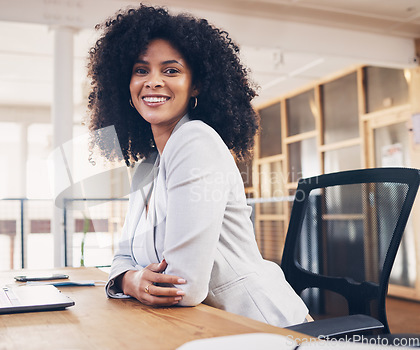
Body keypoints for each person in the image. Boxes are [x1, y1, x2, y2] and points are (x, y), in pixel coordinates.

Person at [87, 4, 309, 327]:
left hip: (264, 326)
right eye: (140, 70)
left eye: (171, 70)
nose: (153, 82)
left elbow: (183, 286)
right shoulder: (147, 167)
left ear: (196, 86)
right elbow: (122, 257)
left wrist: (132, 278)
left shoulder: (196, 142)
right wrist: (130, 280)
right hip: (202, 328)